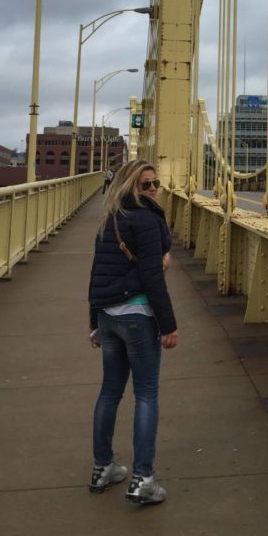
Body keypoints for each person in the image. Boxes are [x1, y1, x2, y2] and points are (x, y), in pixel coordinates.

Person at [87, 160, 177, 505]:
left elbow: (97, 273)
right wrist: (168, 325)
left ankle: (102, 467)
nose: (154, 189)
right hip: (138, 317)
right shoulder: (147, 220)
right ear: (130, 187)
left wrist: (94, 322)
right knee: (146, 395)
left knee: (110, 392)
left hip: (109, 316)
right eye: (146, 185)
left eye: (156, 184)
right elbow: (153, 278)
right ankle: (143, 479)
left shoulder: (109, 219)